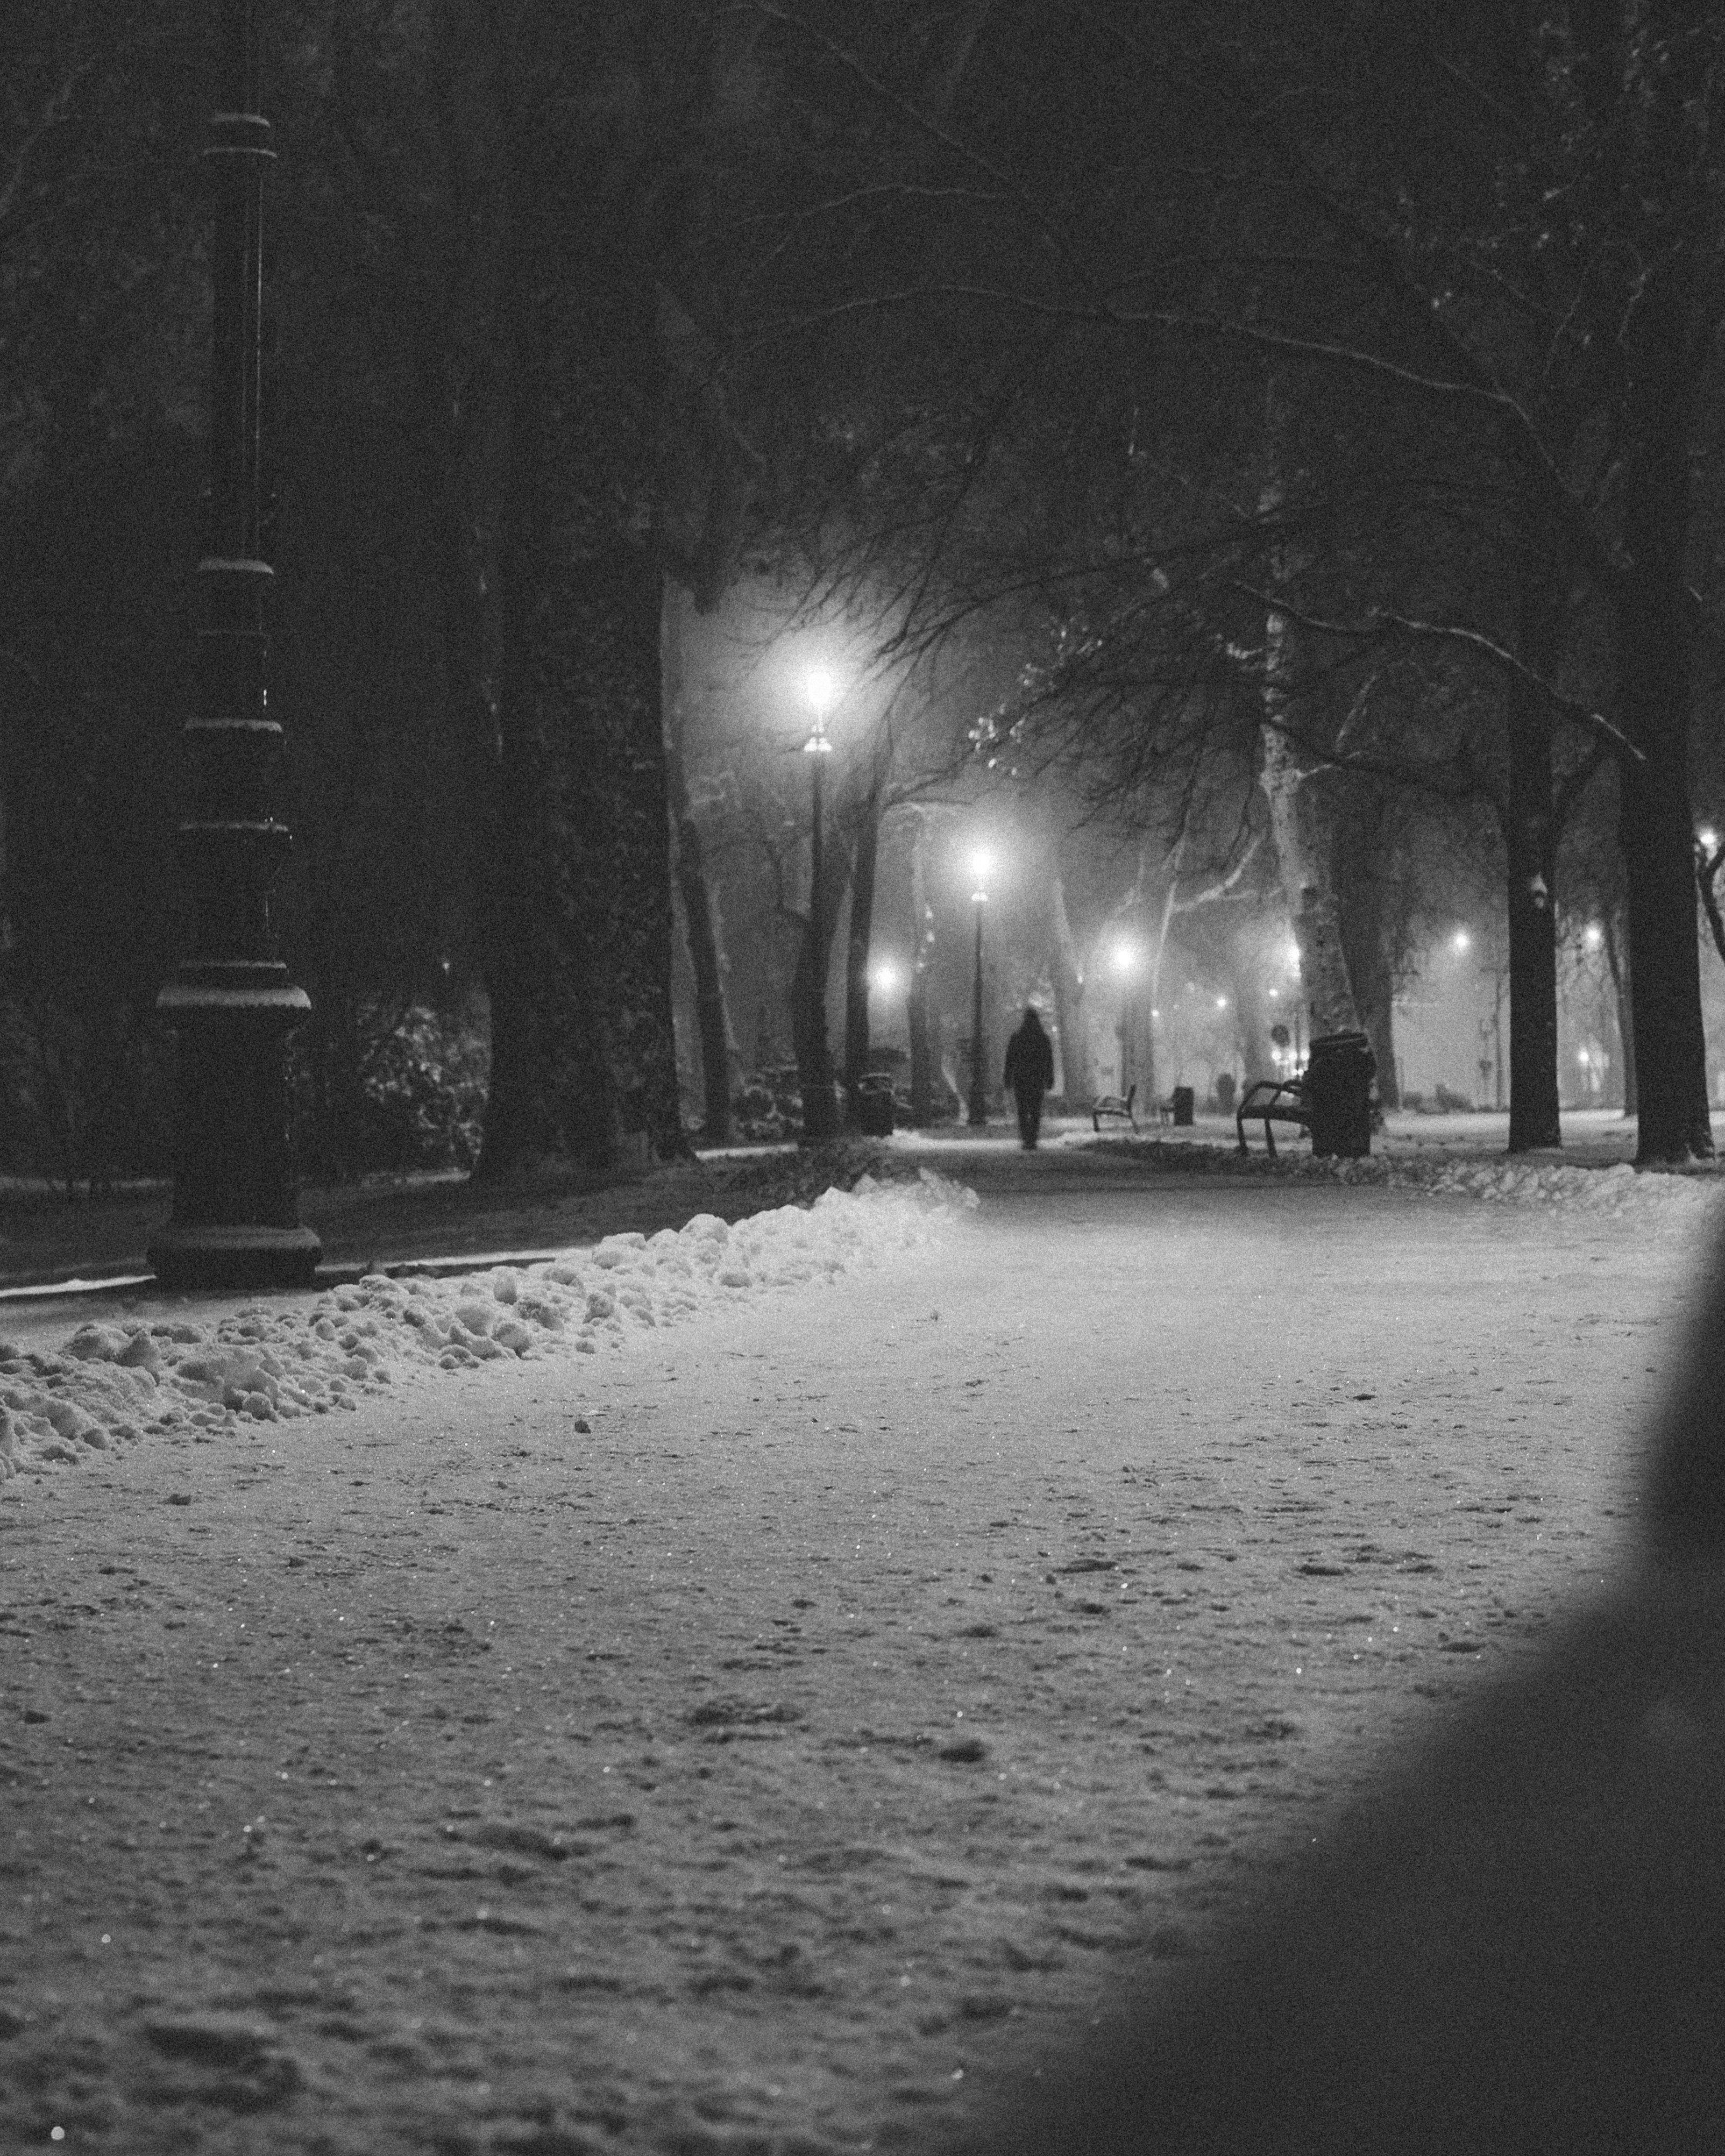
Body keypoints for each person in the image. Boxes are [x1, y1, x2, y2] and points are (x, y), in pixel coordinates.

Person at [1002, 1006, 1055, 1150]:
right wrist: (1050, 1078)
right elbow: (1048, 1061)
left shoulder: (1017, 1037)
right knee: (1035, 1109)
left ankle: (1026, 1137)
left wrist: (1007, 1078)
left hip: (1021, 1078)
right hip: (1037, 1079)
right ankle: (1033, 1137)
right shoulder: (1043, 1038)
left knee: (1023, 1110)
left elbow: (1010, 1059)